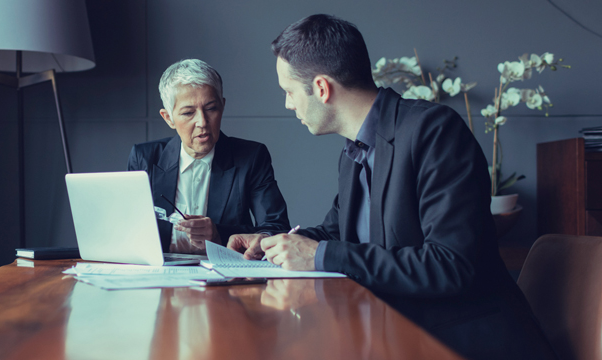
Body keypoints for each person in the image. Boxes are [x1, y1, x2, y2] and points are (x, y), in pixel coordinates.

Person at [228, 14, 557, 359]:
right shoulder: (353, 151)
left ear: (322, 89)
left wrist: (318, 255)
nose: (288, 104)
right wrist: (270, 244)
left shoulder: (434, 132)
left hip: (463, 344)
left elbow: (449, 265)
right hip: (394, 334)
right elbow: (335, 231)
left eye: (289, 92)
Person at [128, 59, 290, 254]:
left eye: (211, 109)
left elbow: (276, 229)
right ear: (168, 118)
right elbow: (129, 228)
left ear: (222, 106)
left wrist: (218, 234)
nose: (202, 122)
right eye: (188, 113)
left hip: (226, 275)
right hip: (161, 272)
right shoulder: (144, 158)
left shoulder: (251, 157)